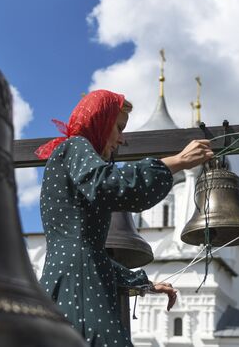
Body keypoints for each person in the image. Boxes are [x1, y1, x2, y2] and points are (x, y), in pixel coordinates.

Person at [35, 90, 213, 346]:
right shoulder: (75, 146)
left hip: (70, 281)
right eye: (118, 127)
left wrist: (146, 284)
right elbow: (111, 186)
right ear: (99, 121)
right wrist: (176, 161)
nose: (121, 139)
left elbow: (91, 255)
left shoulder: (69, 158)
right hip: (80, 285)